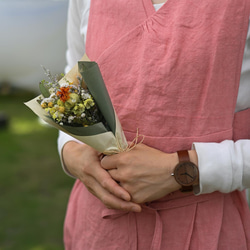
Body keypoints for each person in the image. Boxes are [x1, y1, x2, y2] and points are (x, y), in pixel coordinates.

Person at [58, 0, 250, 249]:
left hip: (204, 231)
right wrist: (71, 151)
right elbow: (73, 80)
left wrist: (185, 169)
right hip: (99, 229)